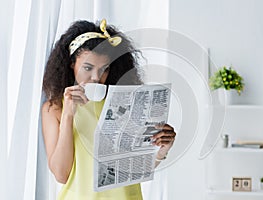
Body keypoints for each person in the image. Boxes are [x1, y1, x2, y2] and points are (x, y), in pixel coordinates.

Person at [41, 19, 176, 200]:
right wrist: (68, 116)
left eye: (104, 69)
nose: (96, 77)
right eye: (88, 68)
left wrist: (162, 151)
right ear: (71, 64)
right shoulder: (55, 108)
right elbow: (61, 174)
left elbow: (132, 168)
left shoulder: (125, 102)